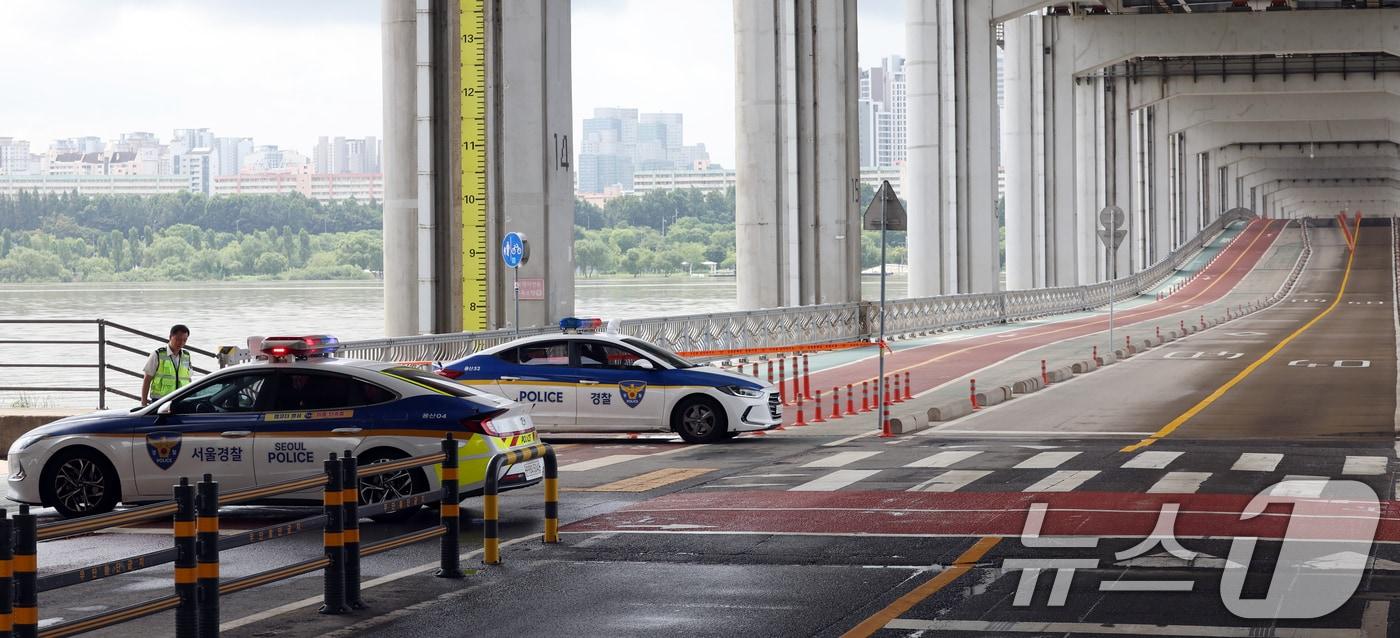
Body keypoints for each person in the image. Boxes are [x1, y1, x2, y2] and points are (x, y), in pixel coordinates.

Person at [141, 324, 192, 406]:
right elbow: (147, 380)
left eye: (184, 340)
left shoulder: (186, 356)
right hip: (160, 402)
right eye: (177, 339)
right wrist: (143, 404)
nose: (181, 343)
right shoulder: (157, 354)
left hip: (181, 401)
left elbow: (188, 379)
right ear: (170, 337)